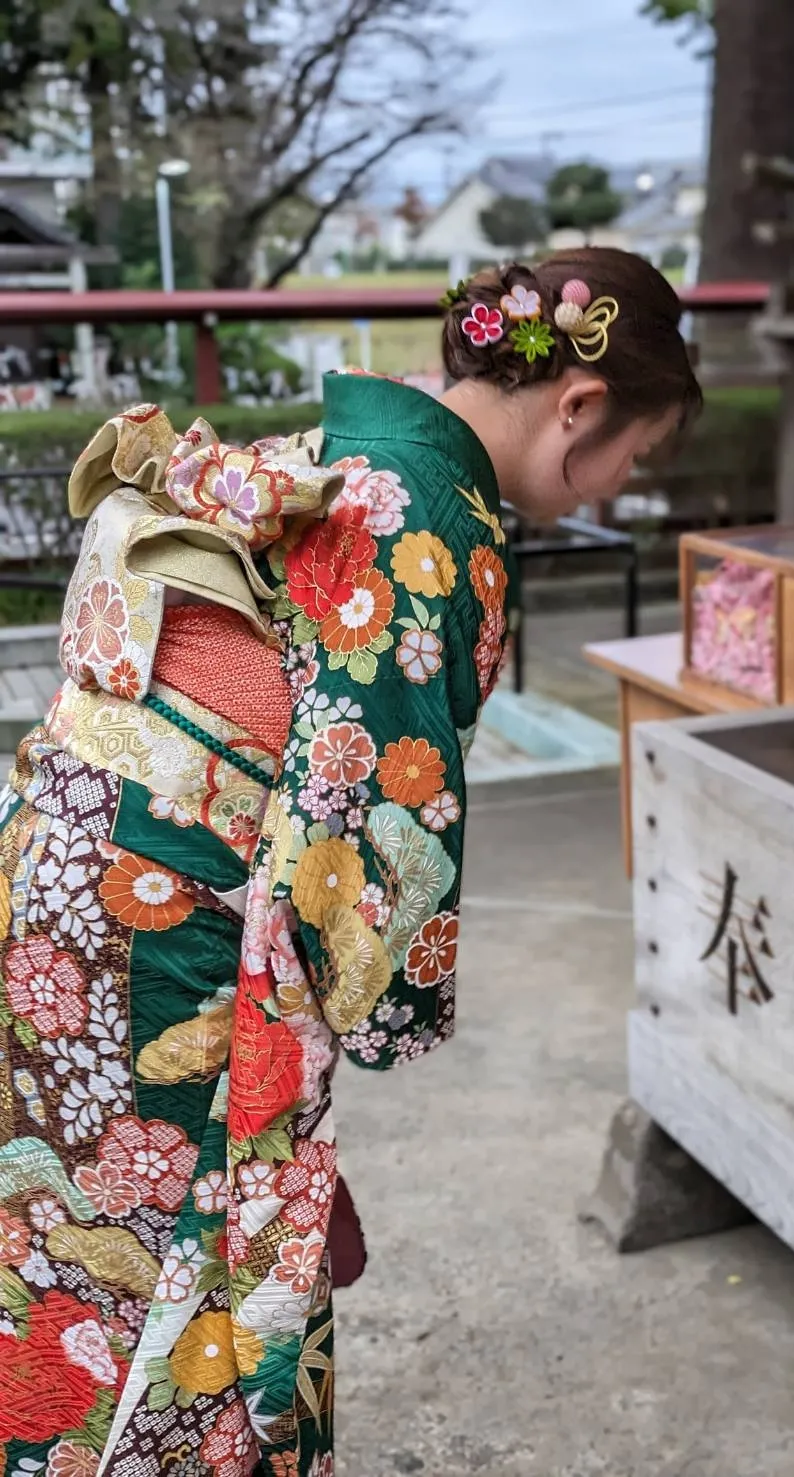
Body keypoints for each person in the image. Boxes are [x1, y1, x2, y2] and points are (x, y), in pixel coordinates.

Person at [0, 247, 700, 1476]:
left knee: (59, 1239)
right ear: (578, 406)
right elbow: (366, 821)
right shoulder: (432, 512)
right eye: (635, 451)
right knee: (173, 1279)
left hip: (62, 857)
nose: (624, 478)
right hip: (160, 909)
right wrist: (388, 1000)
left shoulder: (357, 452)